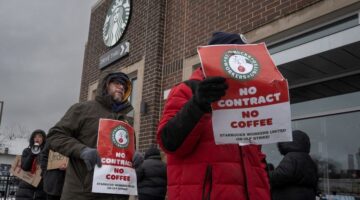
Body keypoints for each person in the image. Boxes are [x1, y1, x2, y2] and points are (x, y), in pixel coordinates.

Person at [157, 32, 271, 200]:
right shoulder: (187, 90)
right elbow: (168, 142)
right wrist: (198, 104)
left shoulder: (246, 96)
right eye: (238, 55)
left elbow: (256, 158)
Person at [46, 71, 134, 200]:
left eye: (124, 86)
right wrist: (82, 150)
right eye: (116, 83)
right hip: (83, 193)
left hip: (116, 193)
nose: (121, 87)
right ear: (105, 85)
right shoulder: (82, 109)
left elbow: (126, 149)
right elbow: (55, 136)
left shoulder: (126, 119)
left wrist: (133, 156)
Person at [269, 130, 318, 200]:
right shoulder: (309, 159)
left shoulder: (292, 156)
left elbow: (282, 174)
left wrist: (267, 174)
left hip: (290, 196)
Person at [16, 129, 47, 200]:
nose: (37, 138)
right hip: (26, 187)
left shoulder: (46, 153)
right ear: (32, 139)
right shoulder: (27, 151)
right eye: (35, 137)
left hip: (41, 189)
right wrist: (32, 154)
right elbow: (24, 167)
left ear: (43, 139)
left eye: (39, 137)